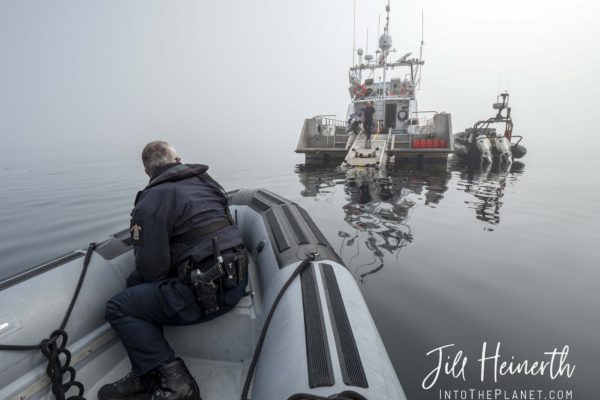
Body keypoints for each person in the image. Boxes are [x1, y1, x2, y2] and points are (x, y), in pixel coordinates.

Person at [98, 141, 248, 400]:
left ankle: (176, 383)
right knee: (136, 287)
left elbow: (151, 270)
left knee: (120, 305)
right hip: (236, 283)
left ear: (147, 172)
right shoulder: (208, 183)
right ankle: (146, 373)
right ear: (178, 160)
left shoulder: (150, 201)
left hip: (206, 297)